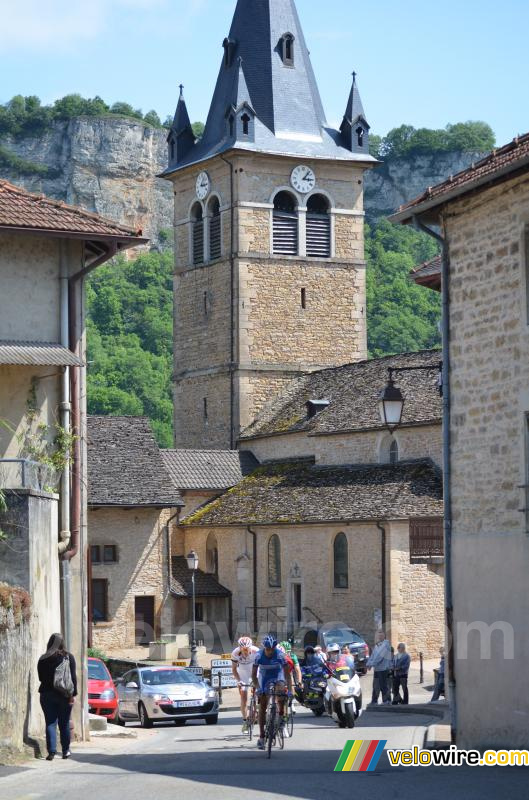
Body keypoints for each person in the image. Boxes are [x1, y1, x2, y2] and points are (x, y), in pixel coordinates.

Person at [37, 633, 77, 761]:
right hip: (64, 695)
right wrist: (72, 695)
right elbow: (73, 678)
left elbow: (40, 678)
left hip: (46, 695)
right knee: (64, 723)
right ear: (62, 643)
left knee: (50, 722)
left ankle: (52, 752)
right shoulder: (68, 657)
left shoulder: (42, 659)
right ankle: (65, 751)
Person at [252, 634, 293, 750]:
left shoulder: (280, 655)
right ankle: (261, 736)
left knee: (281, 691)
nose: (270, 651)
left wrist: (289, 690)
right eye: (267, 649)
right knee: (263, 705)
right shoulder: (258, 656)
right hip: (264, 677)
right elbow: (254, 676)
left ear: (275, 648)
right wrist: (258, 688)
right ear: (264, 647)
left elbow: (287, 675)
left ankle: (280, 716)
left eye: (272, 649)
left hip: (277, 675)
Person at [231, 635, 259, 733]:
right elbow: (234, 670)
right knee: (243, 697)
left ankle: (257, 709)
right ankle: (245, 721)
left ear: (250, 647)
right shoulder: (235, 653)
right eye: (243, 650)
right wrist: (239, 680)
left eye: (247, 649)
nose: (246, 652)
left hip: (254, 671)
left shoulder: (256, 651)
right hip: (242, 672)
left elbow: (261, 666)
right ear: (240, 648)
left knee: (258, 692)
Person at [367, 631, 392, 705]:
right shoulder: (377, 645)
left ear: (384, 636)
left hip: (384, 669)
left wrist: (371, 664)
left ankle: (386, 701)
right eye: (379, 635)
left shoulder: (386, 645)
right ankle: (374, 701)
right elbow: (373, 656)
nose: (380, 637)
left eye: (381, 635)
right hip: (377, 669)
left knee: (383, 685)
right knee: (376, 685)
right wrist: (368, 663)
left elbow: (379, 657)